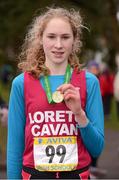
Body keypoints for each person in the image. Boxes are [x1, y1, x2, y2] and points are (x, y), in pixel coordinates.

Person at [7, 7, 104, 179]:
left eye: (65, 37)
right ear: (40, 38)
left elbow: (96, 149)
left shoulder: (90, 83)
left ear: (74, 41)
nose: (58, 45)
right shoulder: (21, 84)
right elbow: (15, 148)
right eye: (51, 37)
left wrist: (79, 114)